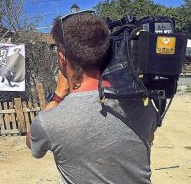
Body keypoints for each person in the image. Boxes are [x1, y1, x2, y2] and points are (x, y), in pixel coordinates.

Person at [26, 11, 157, 183]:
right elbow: (149, 138)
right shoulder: (142, 104)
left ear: (62, 58)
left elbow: (31, 142)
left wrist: (58, 96)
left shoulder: (49, 122)